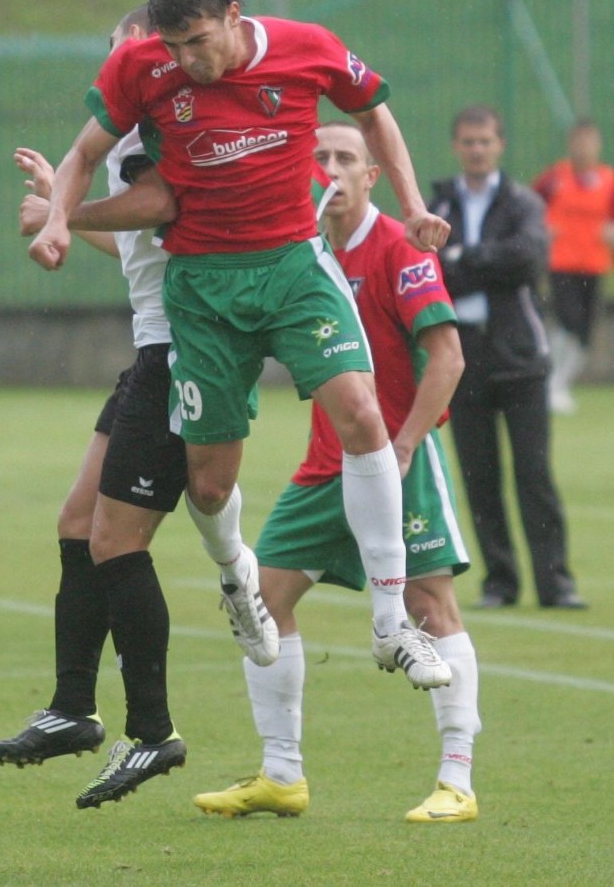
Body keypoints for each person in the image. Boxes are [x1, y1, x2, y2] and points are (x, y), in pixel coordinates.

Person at [28, 0, 453, 704]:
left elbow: (374, 110)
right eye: (175, 46)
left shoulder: (307, 47)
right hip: (203, 287)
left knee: (361, 411)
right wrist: (61, 217)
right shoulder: (142, 66)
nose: (189, 61)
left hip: (292, 265)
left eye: (198, 41)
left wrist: (412, 202)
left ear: (232, 14)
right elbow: (85, 154)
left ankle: (390, 622)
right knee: (210, 480)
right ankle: (237, 577)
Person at [193, 123, 481, 824]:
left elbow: (447, 358)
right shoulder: (301, 251)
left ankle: (457, 780)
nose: (330, 169)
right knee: (262, 602)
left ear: (373, 174)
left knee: (431, 605)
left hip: (396, 462)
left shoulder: (398, 250)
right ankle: (281, 774)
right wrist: (69, 214)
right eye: (317, 159)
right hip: (325, 469)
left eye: (345, 158)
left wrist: (406, 443)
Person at [0, 7, 191, 811]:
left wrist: (63, 214)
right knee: (79, 523)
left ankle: (153, 732)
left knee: (117, 538)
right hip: (152, 353)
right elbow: (142, 240)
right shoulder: (126, 137)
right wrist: (59, 203)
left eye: (134, 56)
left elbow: (164, 211)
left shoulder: (153, 138)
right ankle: (74, 708)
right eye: (114, 57)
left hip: (184, 354)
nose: (121, 73)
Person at [429, 105, 587, 610]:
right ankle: (500, 582)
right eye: (468, 141)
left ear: (500, 145)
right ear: (457, 146)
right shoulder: (441, 203)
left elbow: (526, 259)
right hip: (461, 356)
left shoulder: (522, 201)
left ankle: (555, 583)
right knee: (479, 476)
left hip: (519, 355)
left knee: (534, 474)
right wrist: (471, 263)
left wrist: (462, 258)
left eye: (486, 141)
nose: (477, 149)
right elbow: (430, 266)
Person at [531, 119, 614, 414]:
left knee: (584, 332)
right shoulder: (555, 178)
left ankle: (560, 383)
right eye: (579, 141)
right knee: (568, 321)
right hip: (562, 263)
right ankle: (550, 382)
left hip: (594, 264)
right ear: (570, 145)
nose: (584, 148)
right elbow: (529, 209)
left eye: (589, 141)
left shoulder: (608, 181)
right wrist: (543, 230)